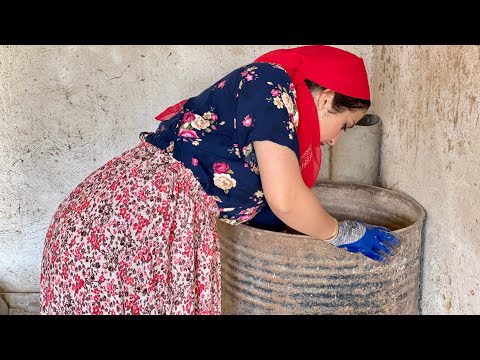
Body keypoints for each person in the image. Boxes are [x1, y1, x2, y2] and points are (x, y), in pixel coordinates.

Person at [40, 45, 399, 315]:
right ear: (327, 99)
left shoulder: (277, 112)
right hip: (122, 227)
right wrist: (343, 233)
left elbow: (264, 195)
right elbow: (287, 200)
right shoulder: (271, 86)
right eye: (345, 126)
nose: (335, 140)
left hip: (145, 225)